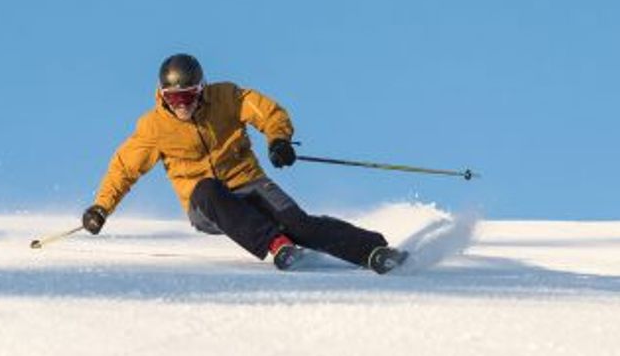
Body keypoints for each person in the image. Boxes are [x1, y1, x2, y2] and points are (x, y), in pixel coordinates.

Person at [80, 53, 407, 273]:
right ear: (162, 96)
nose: (182, 106)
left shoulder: (227, 97)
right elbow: (124, 168)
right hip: (207, 205)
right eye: (173, 99)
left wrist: (278, 140)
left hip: (248, 180)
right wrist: (101, 208)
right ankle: (275, 244)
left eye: (188, 97)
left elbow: (267, 112)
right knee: (207, 189)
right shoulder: (153, 126)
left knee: (299, 224)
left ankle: (373, 252)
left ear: (202, 90)